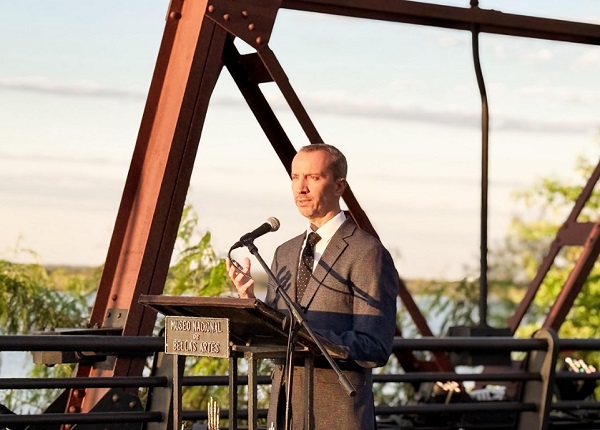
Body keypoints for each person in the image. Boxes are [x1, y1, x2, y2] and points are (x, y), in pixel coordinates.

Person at [226, 143, 399, 429]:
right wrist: (250, 302)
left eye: (313, 177)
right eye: (295, 177)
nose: (301, 188)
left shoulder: (368, 253)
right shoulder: (285, 252)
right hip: (284, 412)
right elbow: (277, 329)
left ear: (339, 186)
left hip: (337, 415)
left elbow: (374, 346)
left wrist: (307, 339)